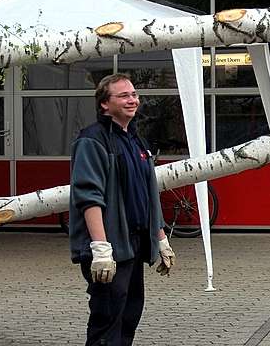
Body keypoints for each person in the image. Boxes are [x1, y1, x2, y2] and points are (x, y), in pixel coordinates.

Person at [69, 73, 176, 346]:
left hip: (134, 246)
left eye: (134, 95)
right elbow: (88, 197)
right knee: (107, 324)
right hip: (109, 249)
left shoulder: (136, 141)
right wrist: (101, 248)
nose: (132, 100)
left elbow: (148, 193)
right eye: (124, 95)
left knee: (128, 317)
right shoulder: (92, 140)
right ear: (105, 104)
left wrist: (160, 238)